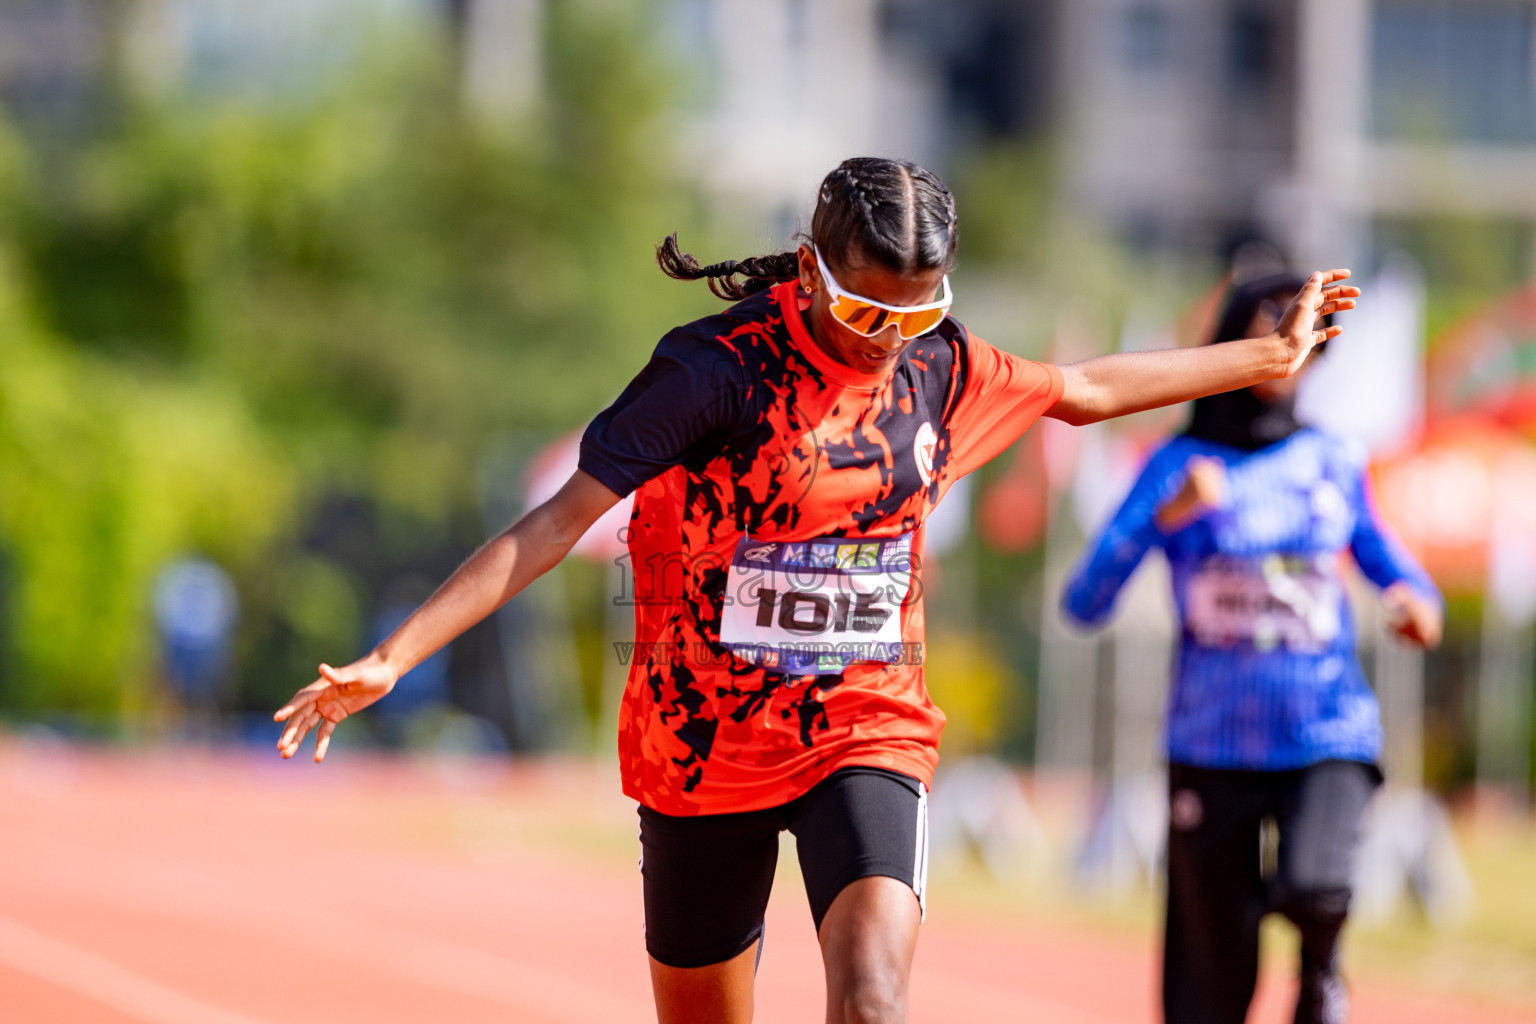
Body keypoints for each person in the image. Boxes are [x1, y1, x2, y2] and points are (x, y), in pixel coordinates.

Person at [275, 159, 1358, 1024]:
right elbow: (555, 524)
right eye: (861, 312)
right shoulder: (713, 373)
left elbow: (1084, 390)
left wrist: (1260, 359)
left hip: (864, 727)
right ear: (806, 268)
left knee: (873, 1000)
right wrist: (395, 654)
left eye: (913, 314)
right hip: (701, 747)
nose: (884, 341)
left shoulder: (941, 367)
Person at [1061, 272, 1440, 1024]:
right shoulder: (1175, 465)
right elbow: (1084, 601)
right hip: (1211, 742)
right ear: (1233, 344)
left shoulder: (1334, 460)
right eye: (1269, 335)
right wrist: (1169, 515)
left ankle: (1322, 975)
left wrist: (1416, 605)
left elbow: (1397, 569)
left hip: (1326, 731)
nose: (1287, 356)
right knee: (1211, 986)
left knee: (1314, 886)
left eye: (1302, 342)